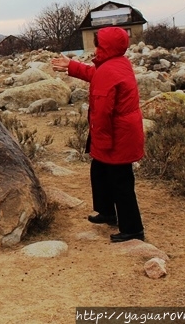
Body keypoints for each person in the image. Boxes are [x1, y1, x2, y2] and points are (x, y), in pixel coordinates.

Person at [50, 26, 145, 243]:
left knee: (121, 182)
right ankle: (108, 212)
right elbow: (95, 73)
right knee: (101, 172)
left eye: (98, 43)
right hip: (123, 132)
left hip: (115, 135)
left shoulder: (109, 70)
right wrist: (71, 66)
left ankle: (133, 228)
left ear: (106, 46)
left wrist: (101, 144)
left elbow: (102, 113)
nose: (95, 47)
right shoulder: (118, 63)